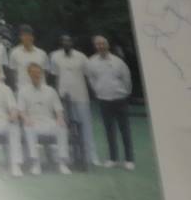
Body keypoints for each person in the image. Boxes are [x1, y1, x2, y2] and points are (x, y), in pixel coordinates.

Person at [85, 35, 134, 170]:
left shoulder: (118, 62)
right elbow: (91, 79)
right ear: (95, 47)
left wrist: (124, 93)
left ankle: (129, 160)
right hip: (104, 100)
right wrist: (99, 91)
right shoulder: (91, 62)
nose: (100, 46)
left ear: (108, 45)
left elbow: (127, 79)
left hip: (120, 99)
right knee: (109, 131)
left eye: (103, 44)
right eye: (98, 44)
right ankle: (113, 159)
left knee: (125, 130)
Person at [50, 34, 99, 166]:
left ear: (72, 42)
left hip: (81, 96)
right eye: (63, 41)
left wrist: (94, 92)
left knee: (86, 127)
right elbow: (56, 78)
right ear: (61, 43)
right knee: (63, 127)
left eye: (68, 41)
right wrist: (56, 97)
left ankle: (91, 156)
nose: (66, 43)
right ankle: (65, 157)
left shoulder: (81, 57)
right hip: (63, 98)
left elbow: (88, 77)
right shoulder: (55, 56)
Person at [19, 63, 71, 175]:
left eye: (38, 72)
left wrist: (60, 119)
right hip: (33, 122)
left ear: (42, 74)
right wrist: (26, 119)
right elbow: (21, 111)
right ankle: (35, 163)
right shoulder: (23, 91)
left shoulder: (50, 90)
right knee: (28, 128)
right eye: (33, 73)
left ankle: (62, 163)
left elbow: (58, 109)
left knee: (62, 127)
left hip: (49, 122)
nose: (36, 75)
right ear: (29, 74)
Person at [9, 24, 49, 92]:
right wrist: (17, 85)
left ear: (32, 37)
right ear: (20, 37)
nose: (26, 37)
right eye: (23, 35)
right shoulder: (14, 53)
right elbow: (13, 72)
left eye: (28, 35)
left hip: (40, 89)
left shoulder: (42, 53)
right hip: (22, 89)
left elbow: (46, 72)